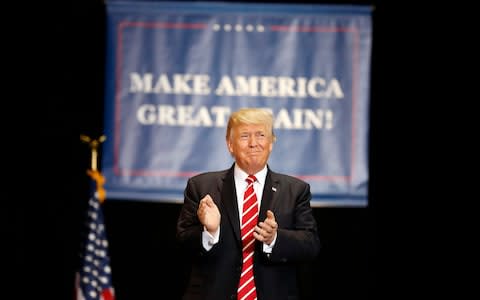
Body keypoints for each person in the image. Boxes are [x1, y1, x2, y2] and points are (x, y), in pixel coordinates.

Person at [176, 107, 320, 300]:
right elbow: (183, 244)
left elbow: (310, 245)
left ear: (271, 143)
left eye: (261, 135)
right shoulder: (202, 187)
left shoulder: (295, 190)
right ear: (230, 145)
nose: (253, 143)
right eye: (244, 136)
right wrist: (210, 232)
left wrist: (274, 238)